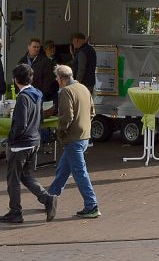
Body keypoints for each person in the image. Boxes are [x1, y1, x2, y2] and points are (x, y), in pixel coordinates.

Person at [0, 64, 57, 224]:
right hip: (34, 141)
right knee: (26, 175)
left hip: (21, 144)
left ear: (15, 80)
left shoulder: (23, 97)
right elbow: (40, 118)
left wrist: (11, 138)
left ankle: (15, 211)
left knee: (13, 179)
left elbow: (20, 124)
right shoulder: (37, 93)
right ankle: (46, 198)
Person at [45, 64, 100, 218]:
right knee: (63, 170)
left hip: (73, 138)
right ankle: (49, 197)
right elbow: (92, 111)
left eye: (57, 78)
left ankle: (92, 205)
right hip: (84, 136)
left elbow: (66, 117)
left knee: (79, 172)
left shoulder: (66, 92)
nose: (57, 81)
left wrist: (60, 131)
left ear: (61, 79)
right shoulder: (83, 88)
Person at [20, 38, 58, 103]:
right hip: (26, 94)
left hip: (40, 95)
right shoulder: (22, 61)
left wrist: (41, 93)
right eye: (34, 47)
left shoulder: (45, 61)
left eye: (38, 47)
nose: (36, 49)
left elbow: (48, 80)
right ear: (29, 47)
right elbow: (18, 77)